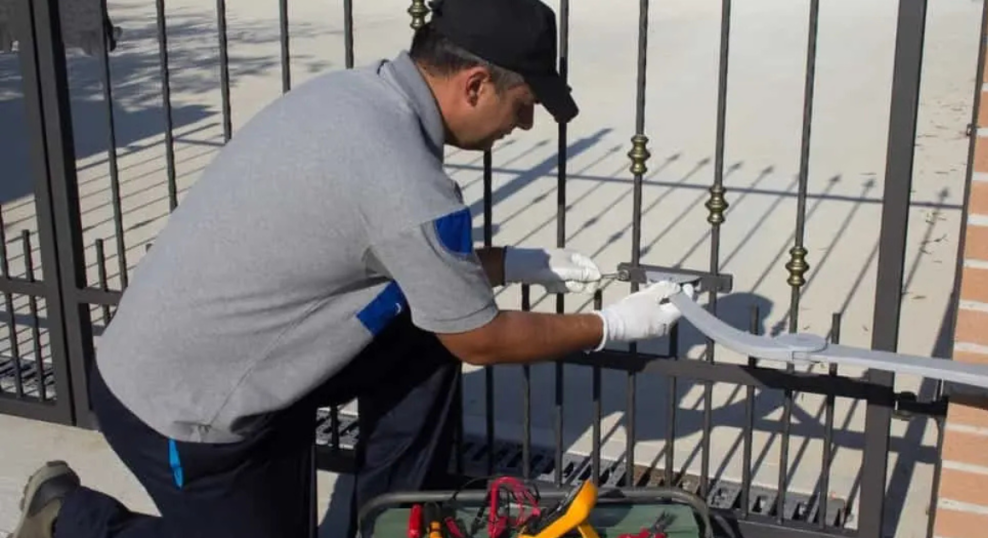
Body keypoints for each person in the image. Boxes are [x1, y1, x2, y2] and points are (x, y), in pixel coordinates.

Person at [7, 0, 690, 537]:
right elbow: (477, 337)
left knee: (421, 334)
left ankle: (394, 518)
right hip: (184, 413)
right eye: (524, 107)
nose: (526, 126)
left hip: (222, 366)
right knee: (447, 330)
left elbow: (407, 266)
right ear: (477, 83)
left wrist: (514, 261)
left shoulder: (355, 96)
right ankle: (69, 516)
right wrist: (608, 325)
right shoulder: (405, 181)